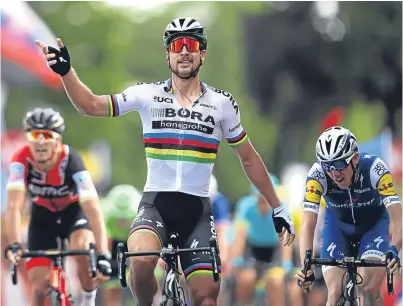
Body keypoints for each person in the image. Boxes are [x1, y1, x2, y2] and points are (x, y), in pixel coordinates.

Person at [34, 17, 295, 306]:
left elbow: (249, 158)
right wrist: (66, 72)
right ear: (167, 54)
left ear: (202, 53)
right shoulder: (147, 95)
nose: (183, 51)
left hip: (196, 211)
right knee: (142, 261)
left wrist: (278, 206)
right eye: (176, 45)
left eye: (191, 44)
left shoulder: (222, 104)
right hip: (155, 206)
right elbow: (91, 105)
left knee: (207, 298)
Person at [4, 108, 111, 306]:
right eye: (35, 134)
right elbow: (14, 206)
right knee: (38, 288)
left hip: (73, 215)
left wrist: (103, 251)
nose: (40, 141)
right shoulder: (20, 160)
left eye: (46, 135)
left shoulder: (72, 160)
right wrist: (15, 243)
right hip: (42, 219)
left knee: (82, 252)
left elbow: (93, 208)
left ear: (58, 140)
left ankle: (88, 301)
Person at [296, 126, 402, 306]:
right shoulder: (317, 175)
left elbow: (399, 219)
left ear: (355, 158)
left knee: (368, 289)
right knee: (335, 293)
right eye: (327, 165)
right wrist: (306, 267)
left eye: (339, 164)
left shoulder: (375, 169)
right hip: (337, 227)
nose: (334, 173)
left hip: (373, 227)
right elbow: (307, 225)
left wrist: (394, 248)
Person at [229, 174, 290, 306]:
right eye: (260, 198)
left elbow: (286, 236)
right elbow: (240, 233)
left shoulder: (281, 207)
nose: (263, 203)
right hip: (253, 250)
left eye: (266, 199)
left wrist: (286, 261)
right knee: (246, 279)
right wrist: (236, 258)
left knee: (276, 282)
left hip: (273, 252)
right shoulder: (246, 206)